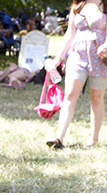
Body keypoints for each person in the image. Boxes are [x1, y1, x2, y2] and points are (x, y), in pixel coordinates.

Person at [47, 0, 107, 149]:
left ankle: (93, 140)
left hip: (100, 59)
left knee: (97, 98)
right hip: (77, 56)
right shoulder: (78, 5)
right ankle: (59, 138)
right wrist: (59, 58)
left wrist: (106, 45)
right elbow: (70, 33)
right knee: (69, 96)